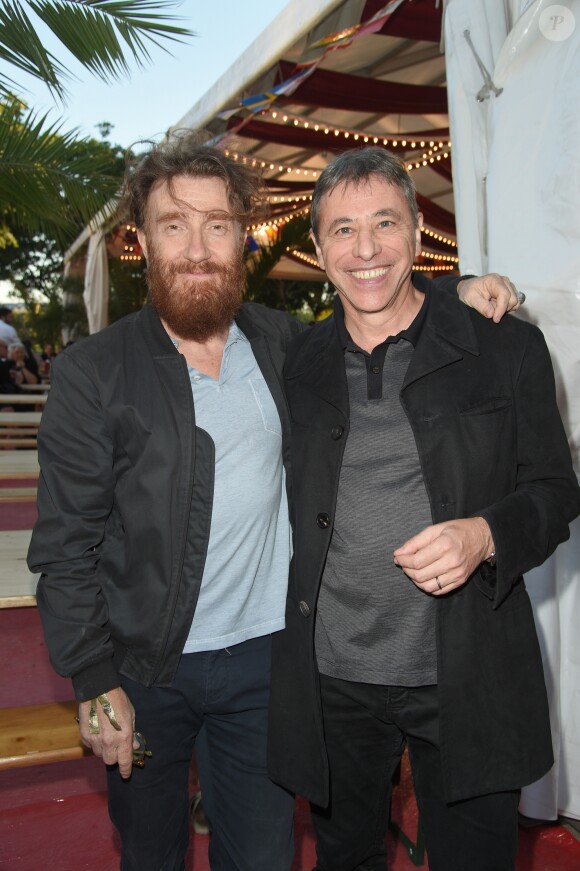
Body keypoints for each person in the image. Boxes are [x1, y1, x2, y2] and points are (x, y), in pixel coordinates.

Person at [28, 132, 522, 871]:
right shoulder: (92, 374)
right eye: (174, 225)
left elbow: (380, 307)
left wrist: (457, 285)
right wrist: (94, 681)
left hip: (267, 666)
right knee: (150, 853)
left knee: (262, 857)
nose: (197, 247)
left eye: (217, 225)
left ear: (243, 240)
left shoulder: (286, 345)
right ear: (143, 242)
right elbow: (64, 549)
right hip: (144, 668)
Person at [267, 147, 580, 871]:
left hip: (466, 671)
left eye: (385, 223)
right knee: (344, 859)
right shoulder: (296, 361)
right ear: (318, 249)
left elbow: (558, 489)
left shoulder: (506, 350)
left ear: (416, 234)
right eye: (342, 230)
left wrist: (485, 533)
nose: (366, 247)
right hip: (333, 679)